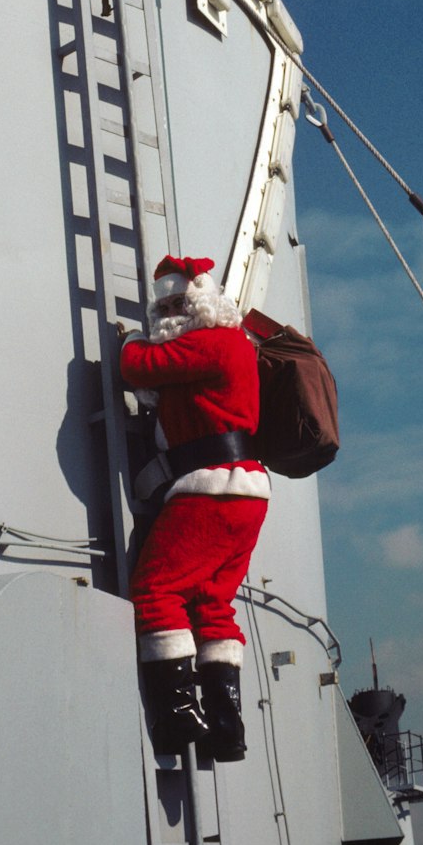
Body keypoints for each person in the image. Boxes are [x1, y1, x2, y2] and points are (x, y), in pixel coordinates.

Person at [119, 254, 269, 760]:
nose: (168, 306)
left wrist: (130, 339)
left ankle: (178, 715)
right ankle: (226, 726)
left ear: (202, 300)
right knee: (211, 602)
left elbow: (138, 364)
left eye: (176, 298)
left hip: (210, 487)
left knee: (157, 587)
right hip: (245, 493)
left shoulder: (212, 341)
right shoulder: (232, 344)